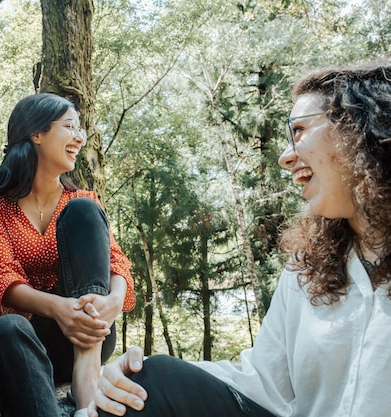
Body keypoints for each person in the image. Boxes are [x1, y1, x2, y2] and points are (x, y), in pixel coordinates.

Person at [89, 62, 391, 417]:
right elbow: (262, 382)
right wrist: (133, 372)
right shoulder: (306, 270)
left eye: (300, 130)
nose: (285, 156)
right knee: (145, 381)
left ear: (360, 127)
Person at [0, 93, 136, 417]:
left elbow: (117, 264)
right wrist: (61, 309)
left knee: (84, 210)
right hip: (17, 345)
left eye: (80, 129)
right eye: (70, 126)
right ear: (37, 133)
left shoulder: (84, 200)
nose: (79, 137)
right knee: (7, 328)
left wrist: (113, 301)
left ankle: (86, 379)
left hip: (82, 340)